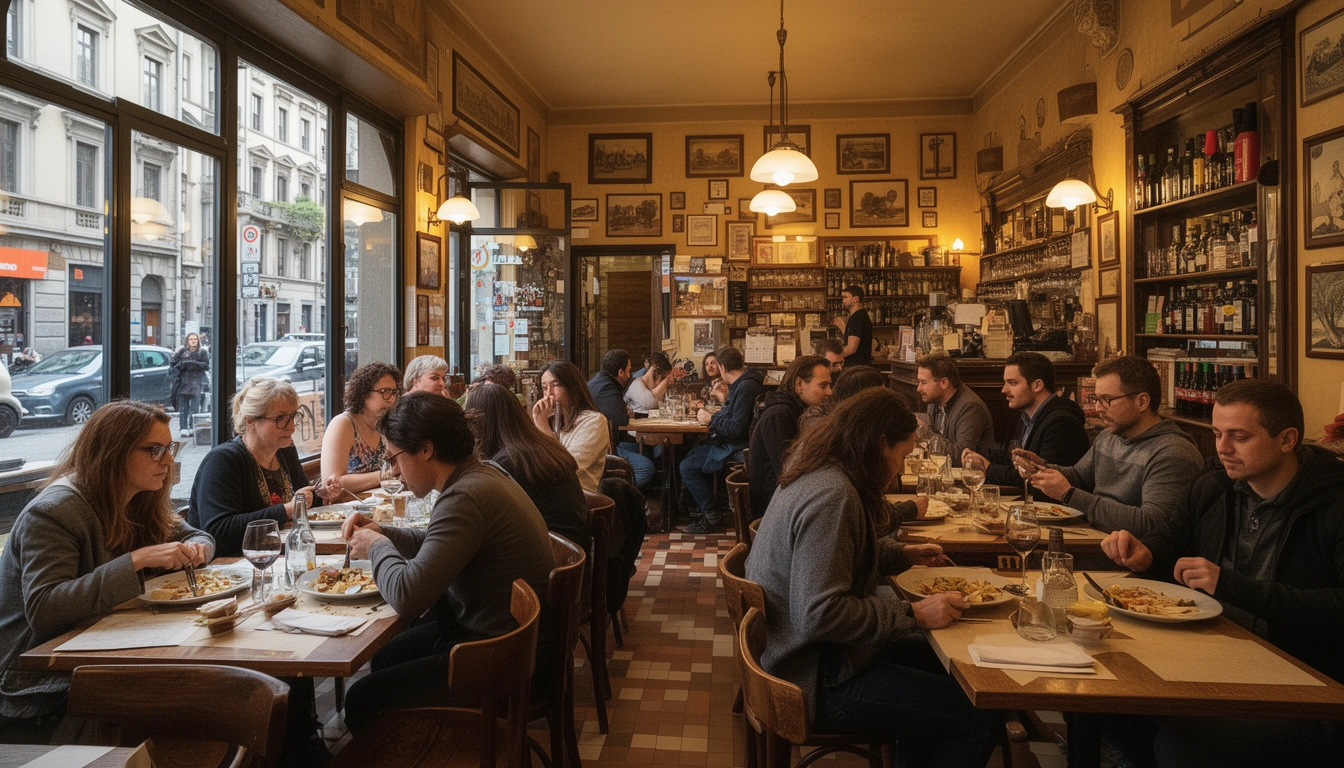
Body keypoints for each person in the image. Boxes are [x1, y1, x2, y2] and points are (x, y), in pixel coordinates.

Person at [744, 388, 999, 767]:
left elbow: (830, 557)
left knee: (946, 667)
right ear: (881, 443)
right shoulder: (833, 495)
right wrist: (914, 615)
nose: (900, 465)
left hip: (803, 657)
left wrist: (899, 554)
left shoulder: (820, 470)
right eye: (903, 454)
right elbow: (820, 614)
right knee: (977, 719)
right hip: (813, 679)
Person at [1098, 379, 1344, 767]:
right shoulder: (1216, 485)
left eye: (1239, 437)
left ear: (1287, 439)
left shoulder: (1332, 503)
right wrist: (1147, 552)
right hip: (1212, 655)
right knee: (1101, 700)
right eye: (1217, 434)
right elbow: (1174, 536)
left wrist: (1232, 586)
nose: (1222, 448)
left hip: (1308, 685)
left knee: (1187, 747)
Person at [340, 392, 555, 732]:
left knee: (362, 700)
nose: (393, 471)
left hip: (500, 661)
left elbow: (408, 598)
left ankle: (425, 747)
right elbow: (437, 544)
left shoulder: (466, 496)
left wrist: (378, 546)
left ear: (426, 449)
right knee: (385, 655)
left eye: (395, 458)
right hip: (516, 646)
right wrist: (385, 533)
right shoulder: (480, 473)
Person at [0, 401, 213, 738]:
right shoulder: (54, 513)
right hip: (34, 680)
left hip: (99, 646)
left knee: (204, 671)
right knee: (192, 687)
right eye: (156, 450)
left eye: (169, 447)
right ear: (114, 453)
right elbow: (44, 607)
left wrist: (201, 547)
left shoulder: (138, 495)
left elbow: (195, 534)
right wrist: (136, 561)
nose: (169, 460)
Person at [1020, 355, 1203, 536]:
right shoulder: (1109, 436)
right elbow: (1078, 477)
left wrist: (1068, 495)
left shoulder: (1172, 453)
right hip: (1093, 538)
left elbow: (1151, 524)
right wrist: (1042, 468)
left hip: (1126, 557)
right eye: (1096, 399)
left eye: (1107, 400)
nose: (1098, 408)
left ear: (1142, 401)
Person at [189, 377, 316, 556]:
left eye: (293, 416)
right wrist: (286, 510)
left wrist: (323, 493)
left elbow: (302, 497)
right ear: (251, 421)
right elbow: (218, 531)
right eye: (281, 418)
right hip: (228, 567)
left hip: (276, 553)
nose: (292, 427)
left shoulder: (284, 449)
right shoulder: (223, 460)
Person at [464, 381, 590, 551]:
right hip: (572, 550)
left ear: (480, 423)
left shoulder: (508, 463)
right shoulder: (538, 445)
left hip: (551, 559)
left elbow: (482, 522)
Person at [960, 352, 1090, 502]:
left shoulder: (1061, 423)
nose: (1004, 390)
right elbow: (1013, 458)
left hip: (1054, 511)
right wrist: (977, 453)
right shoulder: (1028, 415)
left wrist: (988, 468)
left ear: (1037, 385)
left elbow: (1037, 480)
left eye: (1012, 383)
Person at [680, 345, 765, 534]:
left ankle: (711, 516)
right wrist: (714, 416)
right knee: (692, 451)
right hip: (734, 442)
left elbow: (736, 429)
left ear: (723, 367)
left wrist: (710, 418)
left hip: (739, 447)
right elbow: (730, 415)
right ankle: (701, 510)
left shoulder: (745, 387)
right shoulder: (745, 383)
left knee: (687, 466)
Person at [747, 355, 832, 520]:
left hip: (784, 501)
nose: (830, 392)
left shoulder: (793, 411)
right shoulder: (779, 415)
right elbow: (789, 472)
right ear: (800, 384)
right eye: (823, 385)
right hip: (773, 511)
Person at [320, 362, 402, 494]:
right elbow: (331, 484)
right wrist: (386, 474)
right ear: (364, 393)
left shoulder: (385, 423)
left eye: (394, 392)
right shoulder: (343, 424)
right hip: (347, 508)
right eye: (385, 392)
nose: (391, 398)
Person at [534, 360, 609, 492]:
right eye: (545, 388)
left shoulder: (594, 422)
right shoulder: (554, 421)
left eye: (555, 385)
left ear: (572, 387)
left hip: (575, 500)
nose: (548, 394)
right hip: (550, 494)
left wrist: (542, 426)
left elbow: (564, 470)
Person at [587, 349, 654, 488]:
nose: (630, 375)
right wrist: (624, 412)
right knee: (646, 468)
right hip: (603, 450)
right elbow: (622, 419)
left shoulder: (600, 381)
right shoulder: (606, 388)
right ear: (620, 372)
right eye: (628, 371)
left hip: (604, 444)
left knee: (647, 450)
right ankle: (616, 495)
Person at [915, 353, 995, 466]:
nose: (919, 388)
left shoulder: (971, 407)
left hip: (972, 478)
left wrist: (923, 433)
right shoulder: (933, 402)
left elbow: (962, 456)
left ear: (944, 383)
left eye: (923, 382)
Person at [168, 332, 210, 438]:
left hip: (196, 384)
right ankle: (183, 428)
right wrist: (181, 365)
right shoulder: (182, 351)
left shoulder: (202, 352)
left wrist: (194, 363)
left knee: (195, 409)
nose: (193, 341)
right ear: (187, 341)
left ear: (198, 340)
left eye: (195, 339)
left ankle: (192, 427)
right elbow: (173, 364)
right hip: (182, 384)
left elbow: (206, 365)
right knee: (183, 409)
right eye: (191, 339)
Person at [831, 284, 873, 367]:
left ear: (856, 299)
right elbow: (853, 337)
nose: (843, 300)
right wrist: (843, 328)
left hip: (856, 368)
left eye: (846, 297)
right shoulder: (859, 316)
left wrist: (833, 358)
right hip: (860, 367)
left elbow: (851, 348)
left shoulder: (857, 318)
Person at [624, 351, 673, 416]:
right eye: (662, 378)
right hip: (636, 425)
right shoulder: (635, 384)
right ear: (655, 374)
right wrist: (666, 381)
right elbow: (650, 403)